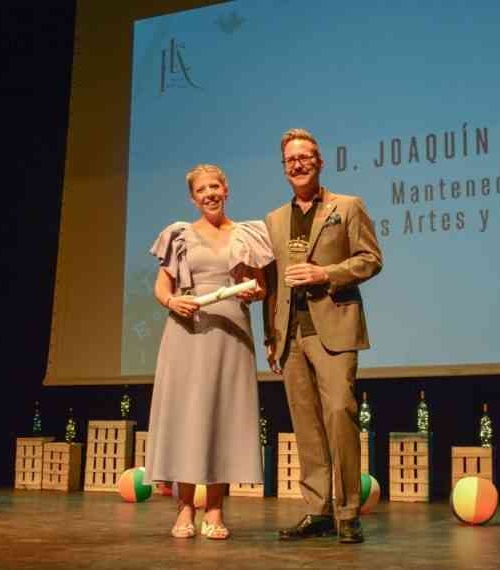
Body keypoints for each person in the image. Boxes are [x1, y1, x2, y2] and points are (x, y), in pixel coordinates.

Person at [263, 128, 383, 544]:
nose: (298, 164)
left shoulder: (346, 207)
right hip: (290, 335)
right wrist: (270, 337)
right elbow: (273, 283)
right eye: (290, 160)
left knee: (339, 417)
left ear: (319, 162)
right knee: (307, 427)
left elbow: (371, 259)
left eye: (305, 157)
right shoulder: (273, 220)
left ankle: (348, 512)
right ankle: (318, 511)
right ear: (284, 168)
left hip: (333, 329)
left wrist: (325, 274)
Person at [143, 164, 272, 540]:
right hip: (188, 332)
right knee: (189, 416)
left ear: (226, 190)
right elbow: (162, 287)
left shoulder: (247, 234)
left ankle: (214, 509)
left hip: (231, 333)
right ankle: (185, 508)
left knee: (222, 416)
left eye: (215, 186)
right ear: (193, 197)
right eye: (202, 189)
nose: (209, 193)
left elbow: (261, 286)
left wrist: (255, 292)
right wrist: (172, 302)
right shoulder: (179, 235)